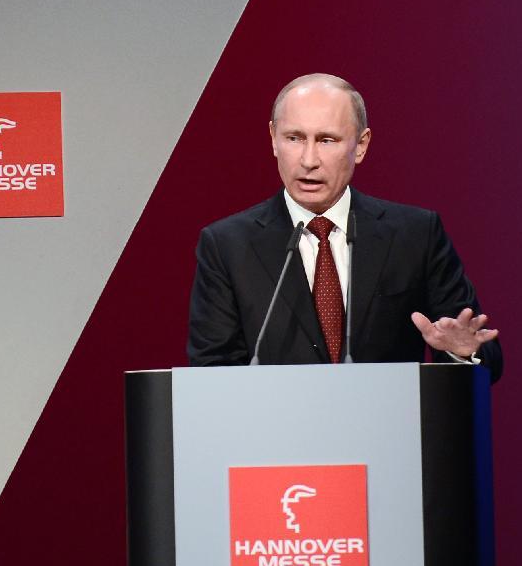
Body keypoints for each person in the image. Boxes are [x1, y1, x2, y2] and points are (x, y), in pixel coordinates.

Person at [187, 73, 503, 383]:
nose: (308, 160)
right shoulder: (227, 245)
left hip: (386, 430)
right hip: (277, 431)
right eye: (294, 138)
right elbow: (211, 374)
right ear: (273, 139)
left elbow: (486, 359)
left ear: (361, 145)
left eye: (327, 140)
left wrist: (462, 354)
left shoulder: (416, 235)